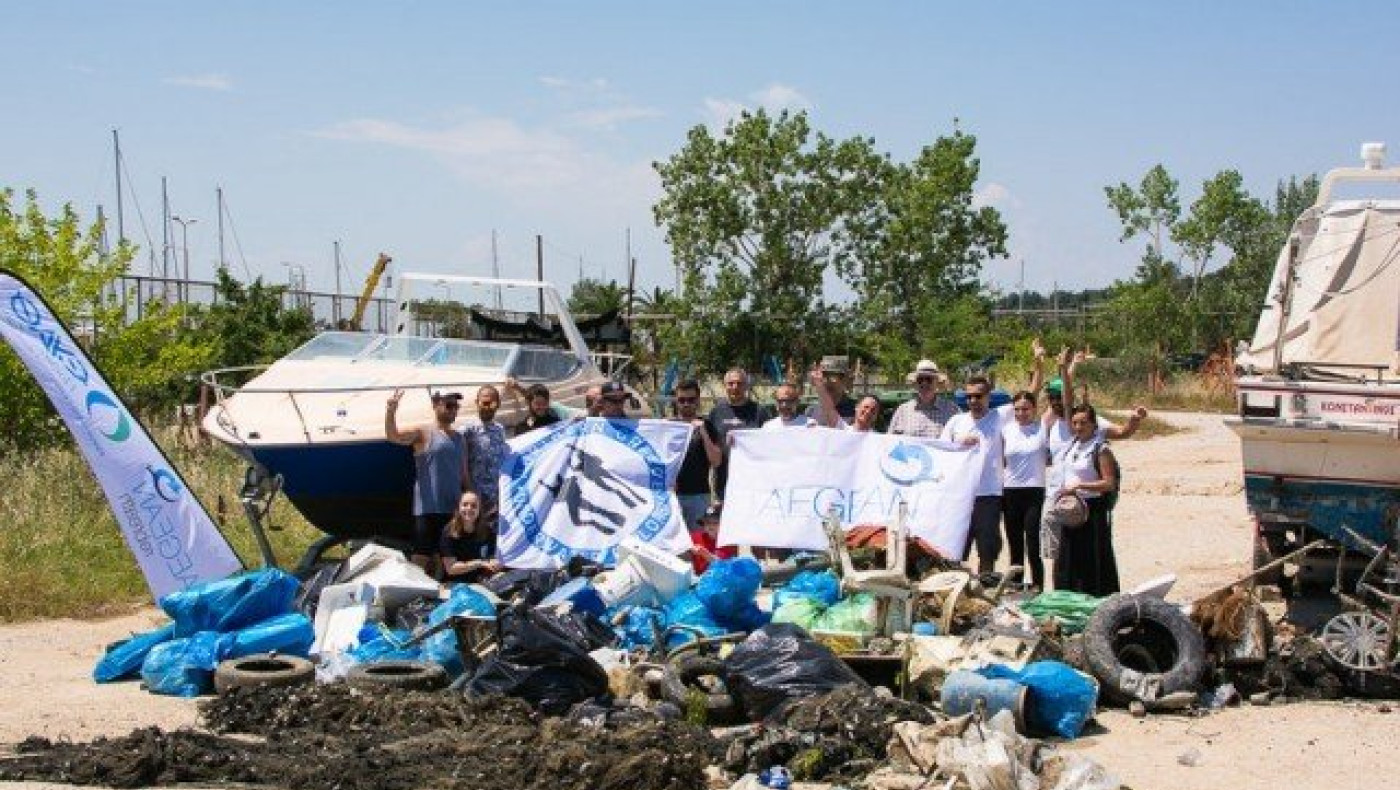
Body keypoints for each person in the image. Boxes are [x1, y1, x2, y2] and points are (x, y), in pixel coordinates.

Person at [940, 341, 1045, 577]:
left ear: (988, 396)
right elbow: (941, 452)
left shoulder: (1000, 416)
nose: (973, 401)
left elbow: (1032, 392)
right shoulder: (956, 422)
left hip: (989, 495)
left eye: (978, 396)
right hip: (960, 493)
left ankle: (984, 592)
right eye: (968, 397)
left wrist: (1038, 361)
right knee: (955, 550)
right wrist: (958, 444)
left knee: (987, 550)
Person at [385, 389, 468, 573]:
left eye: (456, 406)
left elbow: (464, 474)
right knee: (420, 559)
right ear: (435, 405)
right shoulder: (423, 432)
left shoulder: (460, 438)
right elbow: (394, 437)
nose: (453, 410)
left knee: (447, 560)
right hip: (428, 509)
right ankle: (410, 596)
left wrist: (471, 498)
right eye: (449, 405)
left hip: (453, 510)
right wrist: (391, 411)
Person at [1054, 404, 1120, 596]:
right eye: (1075, 423)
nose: (1078, 427)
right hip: (1071, 510)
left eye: (1083, 422)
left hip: (1093, 510)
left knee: (1093, 559)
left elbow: (1109, 483)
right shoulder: (1073, 445)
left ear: (1093, 424)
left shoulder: (1101, 448)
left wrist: (1081, 486)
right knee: (1069, 559)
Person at [1001, 390, 1051, 590]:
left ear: (1034, 409)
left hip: (1034, 491)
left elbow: (1063, 404)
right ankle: (1016, 588)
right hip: (1011, 491)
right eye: (1017, 409)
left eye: (1026, 409)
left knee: (1033, 544)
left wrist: (1067, 368)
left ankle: (1038, 588)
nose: (1021, 413)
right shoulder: (1006, 430)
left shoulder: (1043, 427)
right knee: (1015, 545)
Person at [705, 367, 771, 503]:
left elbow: (770, 445)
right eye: (731, 383)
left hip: (754, 484)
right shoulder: (715, 413)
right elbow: (709, 446)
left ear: (746, 386)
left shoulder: (760, 412)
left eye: (739, 383)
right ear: (725, 386)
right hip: (724, 483)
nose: (735, 387)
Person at [672, 378, 722, 529]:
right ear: (676, 401)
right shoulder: (667, 425)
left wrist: (703, 432)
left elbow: (716, 461)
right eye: (682, 400)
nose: (686, 404)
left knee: (699, 543)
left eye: (691, 399)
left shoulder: (708, 426)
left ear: (698, 401)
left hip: (699, 495)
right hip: (672, 496)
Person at [462, 385, 509, 524]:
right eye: (484, 403)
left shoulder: (500, 429)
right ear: (477, 402)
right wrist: (469, 491)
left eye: (492, 403)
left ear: (498, 404)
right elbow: (461, 463)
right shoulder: (467, 430)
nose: (487, 407)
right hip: (474, 500)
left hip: (496, 498)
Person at [439, 491, 500, 584]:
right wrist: (479, 563)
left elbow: (492, 556)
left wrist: (494, 562)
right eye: (465, 504)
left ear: (479, 510)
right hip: (455, 583)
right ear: (459, 507)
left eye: (474, 506)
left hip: (482, 581)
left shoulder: (487, 531)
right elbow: (451, 569)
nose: (469, 508)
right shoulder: (449, 531)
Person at [888, 359, 959, 438]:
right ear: (915, 383)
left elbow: (960, 438)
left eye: (929, 379)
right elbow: (890, 441)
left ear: (937, 383)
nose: (924, 383)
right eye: (920, 379)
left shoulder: (952, 410)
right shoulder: (902, 411)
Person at [805, 355, 856, 426]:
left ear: (845, 380)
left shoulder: (857, 410)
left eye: (834, 376)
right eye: (824, 376)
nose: (828, 381)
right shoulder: (811, 411)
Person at [688, 503, 737, 574]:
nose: (711, 526)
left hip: (721, 578)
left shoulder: (728, 541)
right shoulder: (694, 537)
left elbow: (723, 565)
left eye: (715, 523)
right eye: (707, 522)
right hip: (699, 578)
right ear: (703, 524)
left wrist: (705, 554)